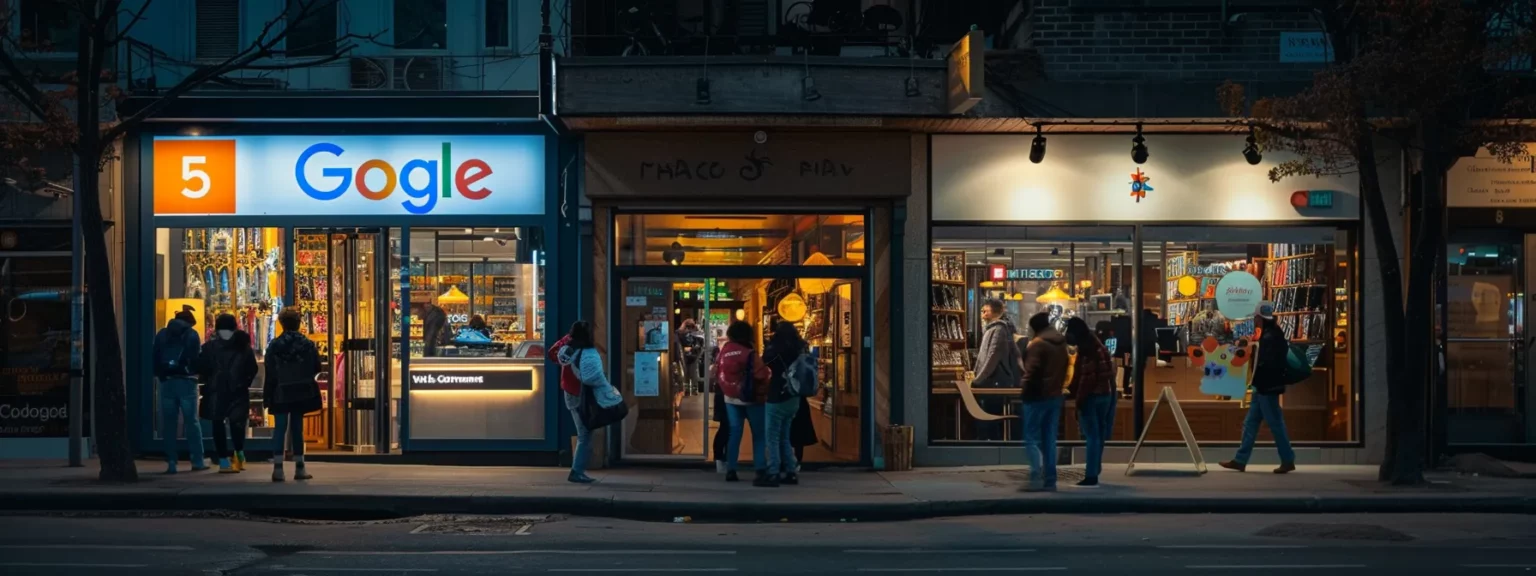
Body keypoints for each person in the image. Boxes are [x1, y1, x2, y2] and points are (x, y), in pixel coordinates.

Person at [1221, 303, 1297, 474]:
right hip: (1264, 386)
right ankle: (1240, 459)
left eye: (1255, 318)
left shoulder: (1269, 338)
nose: (1254, 320)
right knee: (1251, 423)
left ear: (1259, 318)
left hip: (1265, 387)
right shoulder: (1274, 334)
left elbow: (1265, 364)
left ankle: (1287, 459)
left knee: (1274, 423)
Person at [264, 308, 322, 482]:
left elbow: (270, 370)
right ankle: (300, 467)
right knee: (297, 428)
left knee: (280, 428)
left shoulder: (275, 345)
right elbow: (317, 367)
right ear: (299, 323)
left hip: (280, 390)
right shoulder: (307, 344)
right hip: (301, 390)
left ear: (281, 324)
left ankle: (278, 468)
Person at [197, 314, 258, 474]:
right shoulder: (243, 346)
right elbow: (252, 368)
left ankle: (223, 460)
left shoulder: (209, 347)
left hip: (215, 390)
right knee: (237, 425)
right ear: (234, 326)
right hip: (237, 391)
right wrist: (244, 383)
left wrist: (209, 380)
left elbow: (201, 367)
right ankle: (239, 455)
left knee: (218, 425)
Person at [549, 321, 607, 484]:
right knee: (585, 435)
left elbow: (552, 353)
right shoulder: (585, 350)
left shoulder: (567, 348)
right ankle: (576, 471)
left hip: (570, 392)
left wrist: (567, 338)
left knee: (585, 432)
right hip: (582, 394)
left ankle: (578, 470)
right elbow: (592, 375)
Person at [716, 320, 771, 485]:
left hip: (730, 398)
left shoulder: (724, 351)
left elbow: (718, 373)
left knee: (734, 433)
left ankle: (731, 469)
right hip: (751, 399)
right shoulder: (750, 353)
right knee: (759, 435)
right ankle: (760, 469)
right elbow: (762, 374)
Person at [1020, 311, 1069, 492]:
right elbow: (1065, 369)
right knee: (1049, 438)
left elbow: (1031, 372)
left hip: (1036, 396)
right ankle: (1050, 479)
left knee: (1031, 438)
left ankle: (1035, 477)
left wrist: (1025, 390)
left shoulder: (1037, 345)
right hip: (1055, 396)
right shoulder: (1060, 343)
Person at [152, 310, 206, 474]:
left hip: (167, 382)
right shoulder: (192, 334)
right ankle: (197, 460)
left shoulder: (162, 334)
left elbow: (155, 356)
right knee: (192, 422)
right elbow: (195, 357)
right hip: (187, 381)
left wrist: (161, 375)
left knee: (169, 423)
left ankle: (171, 462)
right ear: (189, 322)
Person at [1065, 317, 1116, 487]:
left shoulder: (1087, 351)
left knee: (1092, 436)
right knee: (1098, 435)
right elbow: (1109, 374)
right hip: (1105, 396)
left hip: (1091, 397)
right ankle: (1095, 468)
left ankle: (1091, 475)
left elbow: (1086, 380)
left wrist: (1078, 399)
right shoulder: (1099, 346)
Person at [762, 321, 807, 486]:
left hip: (777, 395)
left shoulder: (776, 348)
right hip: (794, 396)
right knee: (785, 437)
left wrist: (769, 344)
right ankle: (791, 471)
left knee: (772, 437)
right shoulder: (800, 348)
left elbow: (765, 361)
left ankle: (773, 472)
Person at [971, 299, 1021, 440]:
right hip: (990, 381)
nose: (982, 315)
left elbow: (992, 357)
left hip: (994, 382)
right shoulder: (993, 329)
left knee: (991, 417)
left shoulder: (998, 330)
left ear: (994, 312)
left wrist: (977, 379)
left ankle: (994, 444)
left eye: (985, 311)